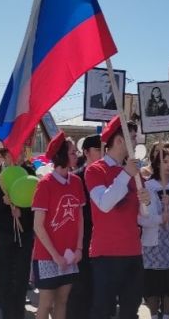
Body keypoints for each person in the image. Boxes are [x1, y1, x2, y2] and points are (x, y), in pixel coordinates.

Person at [85, 115, 150, 319]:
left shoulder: (134, 173)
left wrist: (145, 202)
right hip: (106, 254)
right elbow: (104, 204)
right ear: (120, 140)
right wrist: (126, 174)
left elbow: (143, 217)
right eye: (132, 138)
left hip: (132, 251)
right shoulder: (95, 170)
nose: (136, 143)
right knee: (103, 310)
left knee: (130, 311)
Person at [30, 132, 85, 319]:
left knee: (62, 300)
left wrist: (79, 248)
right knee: (45, 304)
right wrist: (55, 256)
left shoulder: (77, 182)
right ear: (61, 155)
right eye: (72, 152)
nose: (76, 155)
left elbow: (79, 218)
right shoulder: (44, 184)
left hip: (70, 254)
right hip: (47, 255)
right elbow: (38, 226)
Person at [0, 149, 36, 319]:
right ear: (5, 156)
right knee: (6, 273)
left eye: (21, 153)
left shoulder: (29, 172)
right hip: (4, 232)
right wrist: (3, 202)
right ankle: (7, 311)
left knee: (22, 273)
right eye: (16, 154)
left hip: (25, 231)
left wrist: (23, 211)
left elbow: (35, 202)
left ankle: (19, 310)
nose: (20, 157)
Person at [139, 149, 169, 319]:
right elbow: (141, 218)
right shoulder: (147, 187)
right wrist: (160, 218)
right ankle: (153, 315)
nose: (168, 165)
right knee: (153, 283)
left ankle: (167, 315)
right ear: (157, 163)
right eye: (164, 161)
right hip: (154, 244)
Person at [66, 134, 102, 319]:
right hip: (82, 238)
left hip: (104, 240)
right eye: (98, 150)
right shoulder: (77, 178)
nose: (102, 154)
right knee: (80, 288)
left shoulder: (110, 177)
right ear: (86, 152)